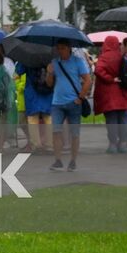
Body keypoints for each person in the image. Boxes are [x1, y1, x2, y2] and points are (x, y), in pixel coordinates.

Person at [46, 41, 93, 172]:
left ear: (69, 49)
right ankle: (58, 160)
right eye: (58, 48)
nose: (60, 51)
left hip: (73, 102)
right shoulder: (54, 62)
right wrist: (49, 73)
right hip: (57, 102)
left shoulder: (78, 61)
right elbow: (49, 84)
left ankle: (73, 161)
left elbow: (88, 80)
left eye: (63, 48)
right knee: (56, 131)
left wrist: (80, 98)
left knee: (74, 133)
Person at [93, 35, 127, 154]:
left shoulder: (104, 57)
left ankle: (112, 144)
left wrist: (110, 79)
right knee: (123, 119)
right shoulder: (121, 56)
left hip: (109, 94)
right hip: (124, 93)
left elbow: (98, 70)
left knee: (111, 120)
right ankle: (123, 144)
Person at [17, 59, 54, 152]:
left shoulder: (27, 56)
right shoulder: (49, 55)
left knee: (32, 118)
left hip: (32, 91)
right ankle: (49, 144)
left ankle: (36, 145)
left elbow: (18, 72)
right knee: (48, 117)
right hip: (47, 92)